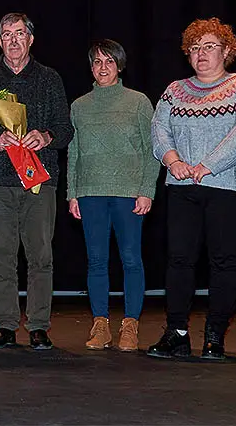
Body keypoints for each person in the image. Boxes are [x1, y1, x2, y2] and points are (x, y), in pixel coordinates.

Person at [147, 18, 236, 361]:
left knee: (224, 260)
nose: (201, 54)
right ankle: (177, 333)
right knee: (179, 259)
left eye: (210, 46)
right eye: (194, 48)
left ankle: (215, 335)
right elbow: (159, 129)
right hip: (181, 184)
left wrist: (207, 165)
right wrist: (172, 161)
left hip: (229, 187)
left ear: (227, 51)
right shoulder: (174, 90)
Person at [0, 12, 73, 351]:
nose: (13, 40)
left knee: (41, 256)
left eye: (20, 33)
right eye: (7, 34)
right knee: (2, 257)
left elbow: (66, 129)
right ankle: (7, 325)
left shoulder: (50, 79)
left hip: (40, 181)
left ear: (31, 39)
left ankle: (39, 325)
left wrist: (47, 135)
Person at [67, 39, 159, 352]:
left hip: (128, 194)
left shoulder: (138, 102)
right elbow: (74, 152)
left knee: (131, 259)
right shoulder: (79, 105)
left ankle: (130, 325)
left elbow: (152, 151)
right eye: (97, 61)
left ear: (119, 66)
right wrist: (72, 193)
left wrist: (146, 190)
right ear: (90, 67)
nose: (103, 67)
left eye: (109, 61)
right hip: (90, 193)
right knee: (96, 261)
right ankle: (100, 324)